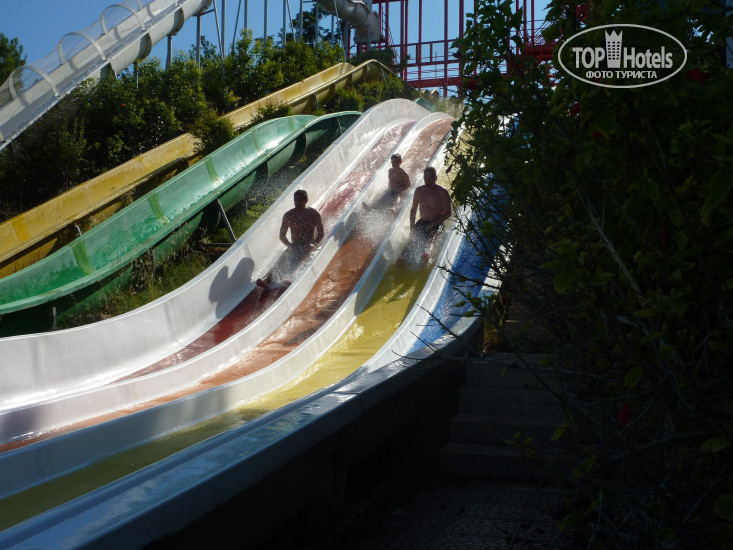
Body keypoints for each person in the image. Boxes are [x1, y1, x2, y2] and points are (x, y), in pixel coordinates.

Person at [257, 189, 324, 287]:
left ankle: (292, 277)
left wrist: (313, 244)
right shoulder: (289, 215)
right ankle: (267, 280)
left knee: (303, 254)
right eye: (295, 200)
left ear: (306, 200)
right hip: (294, 245)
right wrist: (289, 245)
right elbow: (282, 236)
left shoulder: (313, 213)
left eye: (300, 200)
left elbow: (321, 233)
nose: (297, 202)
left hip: (308, 245)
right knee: (283, 257)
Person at [399, 166, 451, 265]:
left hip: (438, 223)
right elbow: (413, 210)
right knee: (413, 239)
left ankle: (426, 255)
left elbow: (448, 213)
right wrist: (412, 227)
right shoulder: (419, 191)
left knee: (431, 238)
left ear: (436, 178)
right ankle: (402, 257)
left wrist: (433, 224)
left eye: (431, 179)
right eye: (426, 179)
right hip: (423, 221)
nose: (428, 181)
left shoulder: (442, 192)